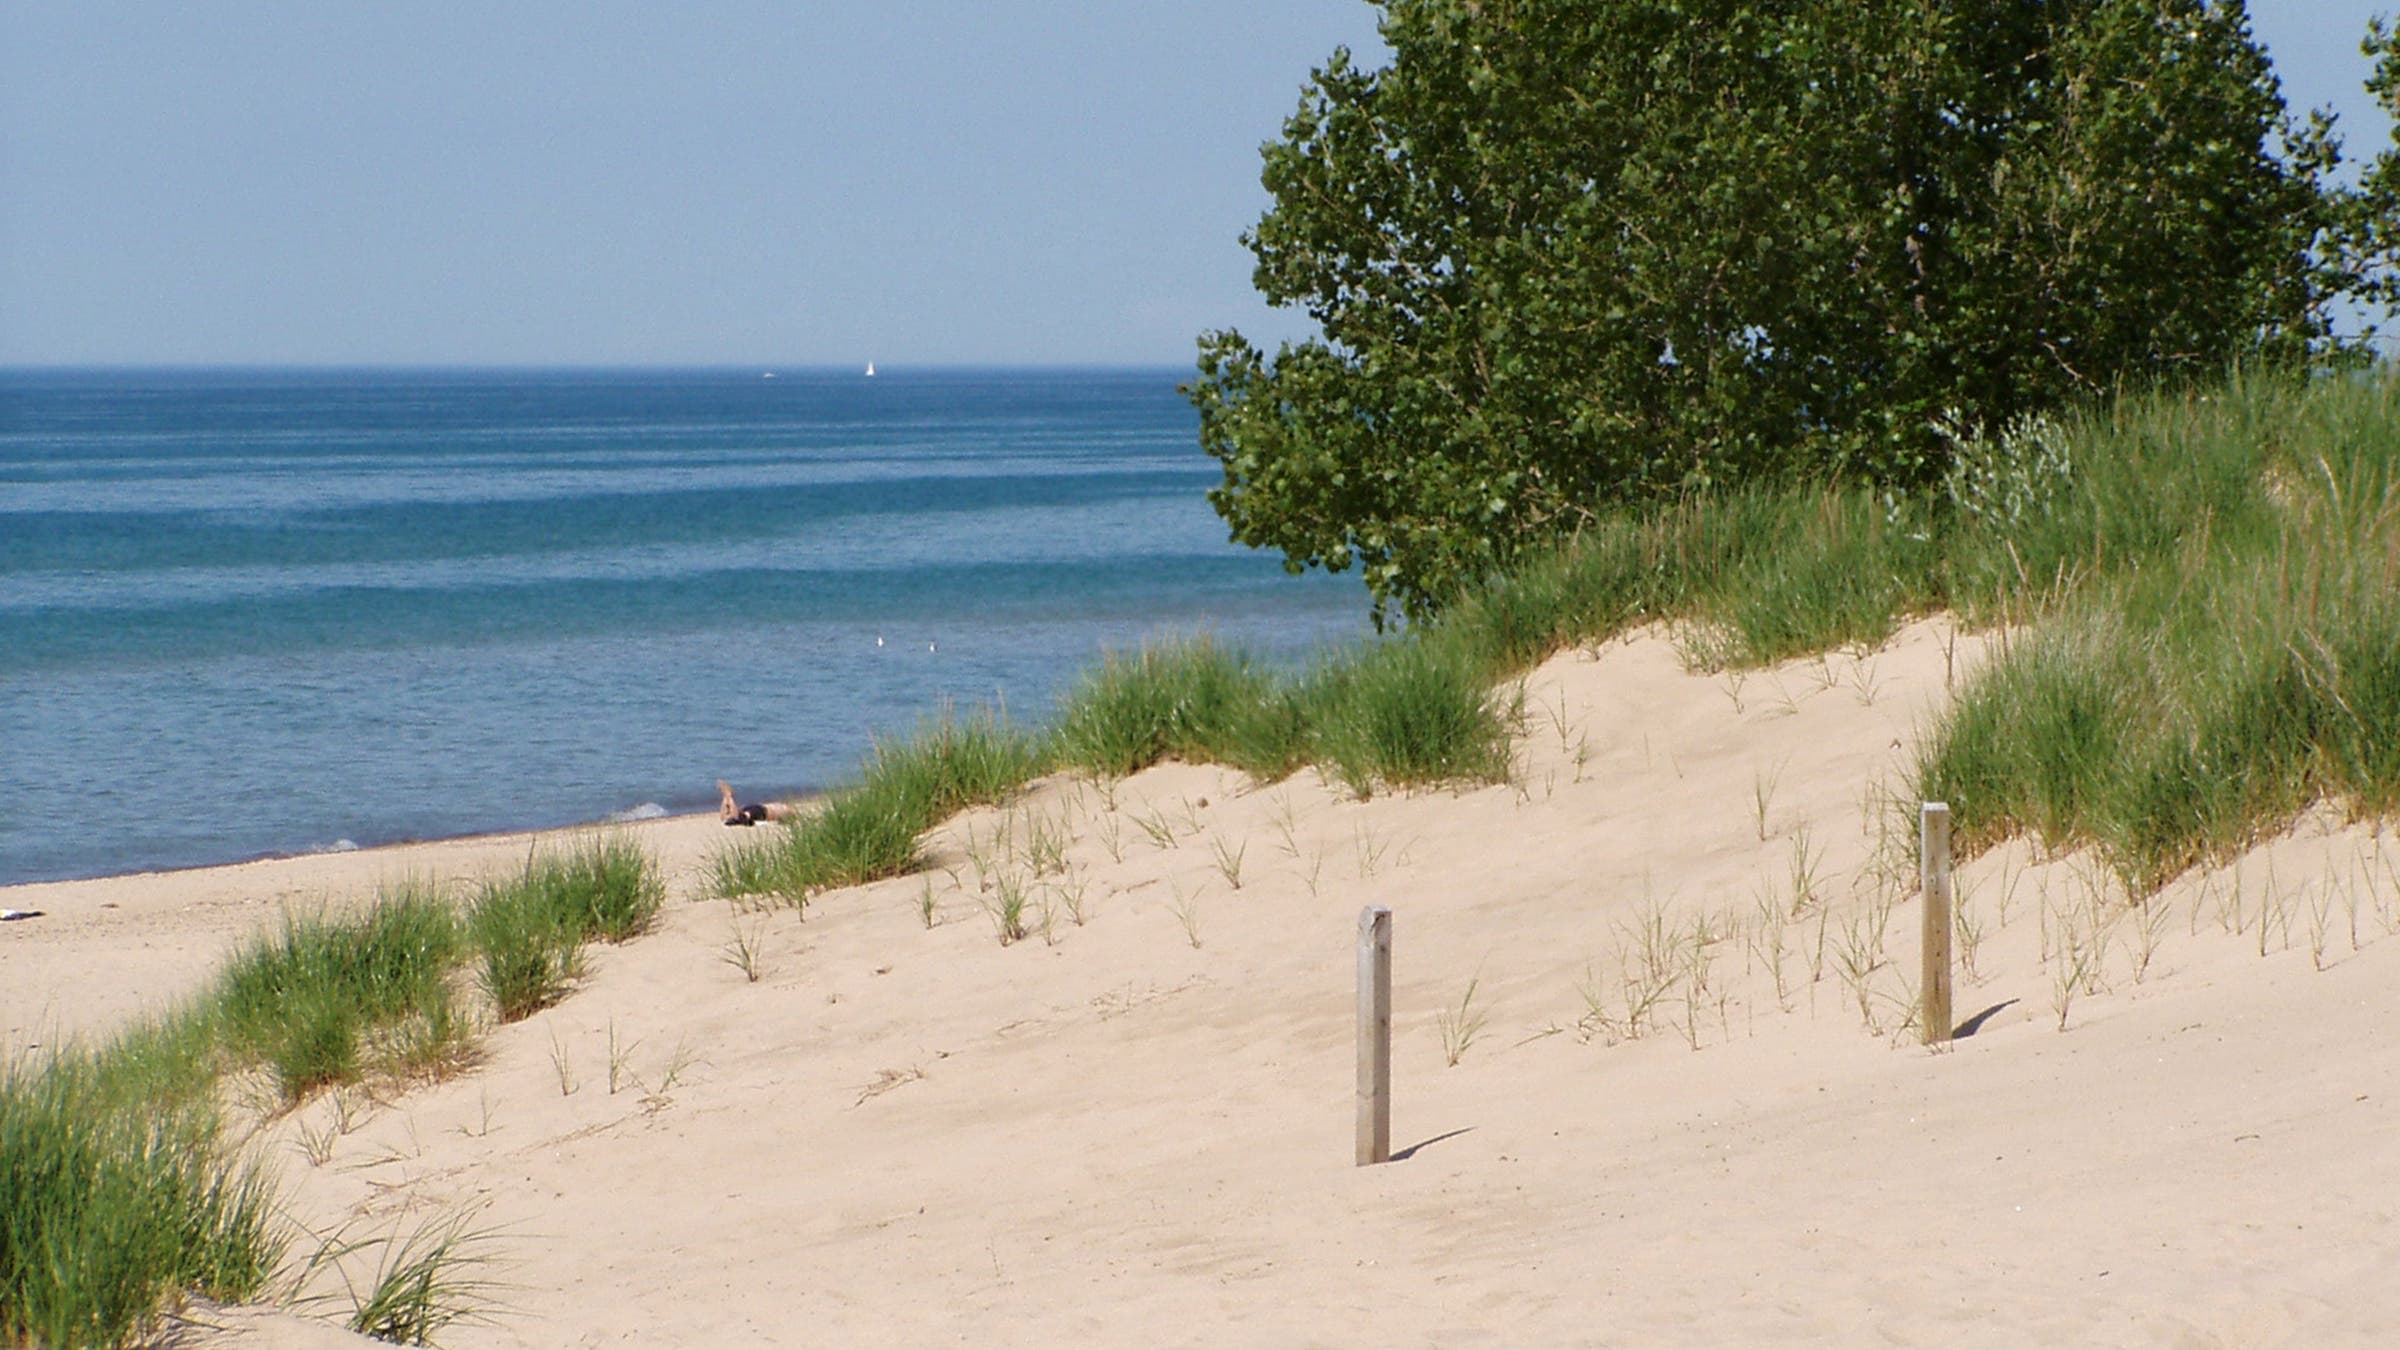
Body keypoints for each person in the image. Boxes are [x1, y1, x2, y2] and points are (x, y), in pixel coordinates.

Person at [718, 781, 793, 827]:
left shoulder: (787, 811)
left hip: (762, 812)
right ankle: (727, 796)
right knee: (731, 817)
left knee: (734, 817)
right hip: (761, 810)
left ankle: (728, 796)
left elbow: (740, 819)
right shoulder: (787, 810)